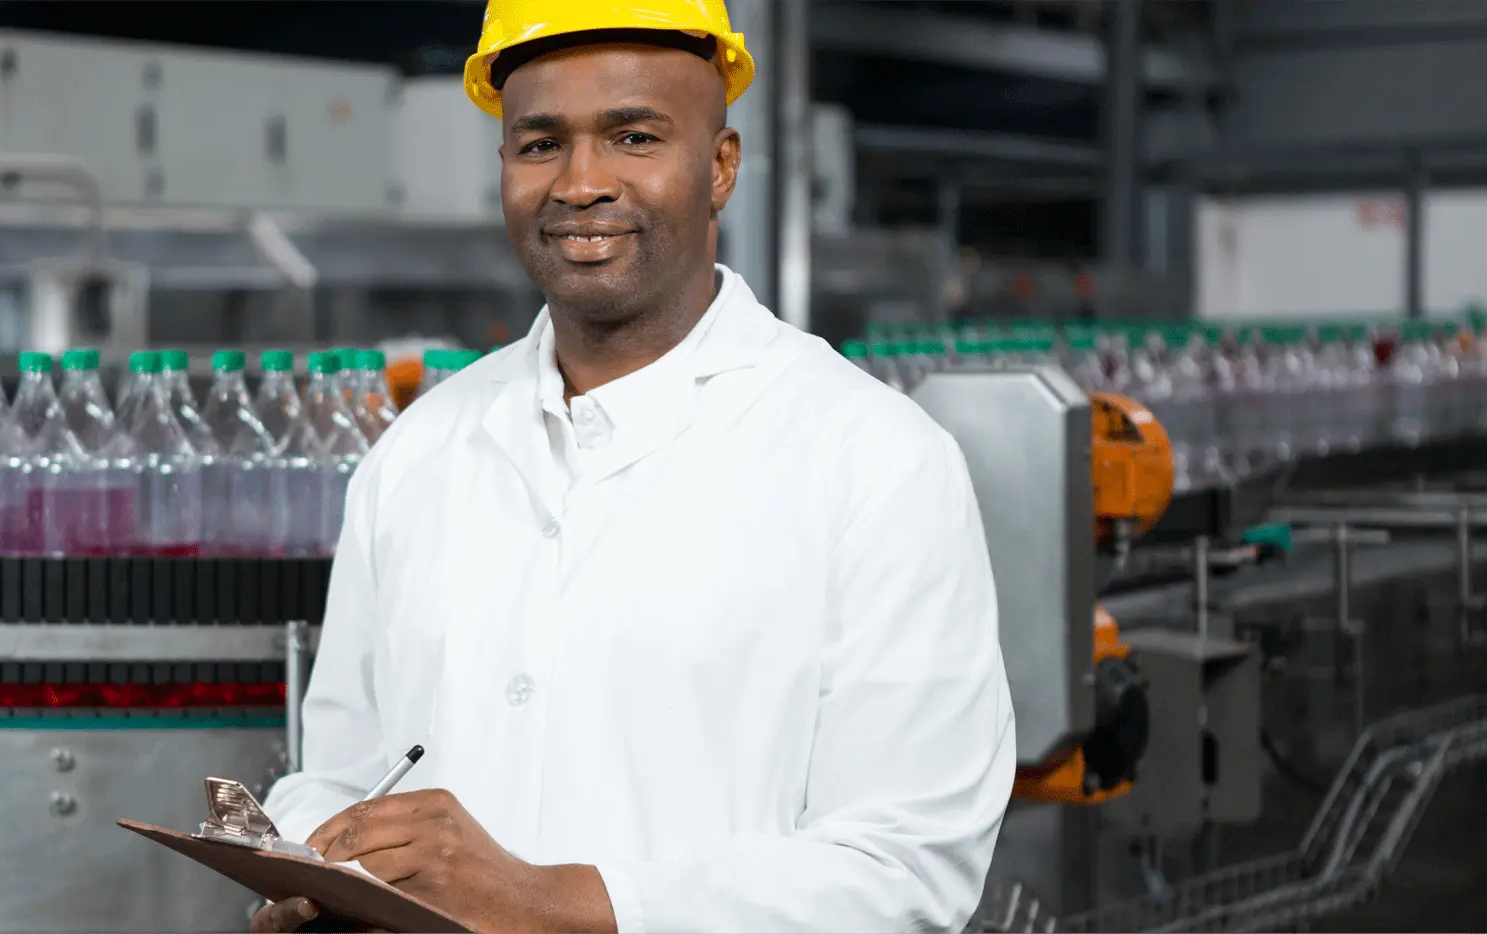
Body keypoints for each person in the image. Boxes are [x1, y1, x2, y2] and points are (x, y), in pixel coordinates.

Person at [253, 1, 1015, 931]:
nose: (580, 183)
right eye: (540, 145)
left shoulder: (873, 461)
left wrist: (550, 903)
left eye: (634, 136)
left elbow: (903, 869)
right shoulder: (420, 449)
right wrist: (313, 868)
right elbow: (343, 770)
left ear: (721, 166)